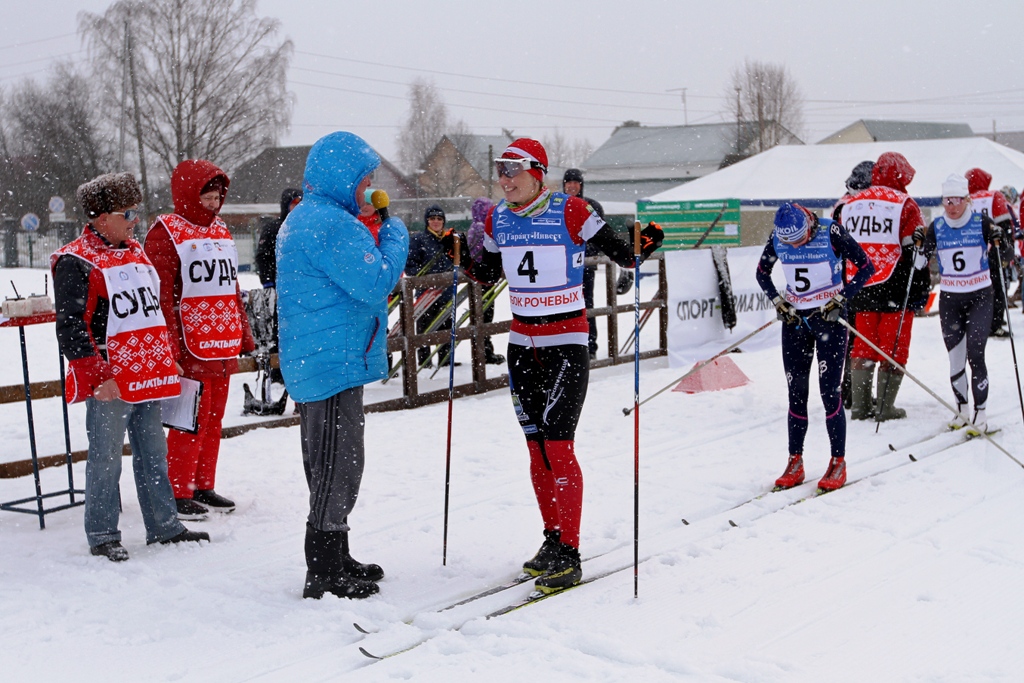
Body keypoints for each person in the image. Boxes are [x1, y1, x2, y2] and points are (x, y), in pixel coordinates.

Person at [465, 138, 663, 594]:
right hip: (522, 345)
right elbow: (491, 274)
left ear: (538, 172)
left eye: (513, 170)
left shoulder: (570, 210)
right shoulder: (499, 217)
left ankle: (570, 554)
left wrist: (644, 241)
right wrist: (465, 255)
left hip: (566, 344)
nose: (505, 179)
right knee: (536, 450)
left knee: (559, 445)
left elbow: (621, 253)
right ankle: (552, 540)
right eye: (500, 170)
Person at [276, 131, 409, 600]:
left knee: (333, 462)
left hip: (324, 358)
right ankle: (325, 571)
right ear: (341, 178)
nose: (370, 188)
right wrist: (395, 235)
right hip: (331, 362)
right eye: (365, 179)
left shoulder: (309, 218)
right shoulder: (329, 224)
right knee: (338, 464)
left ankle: (337, 553)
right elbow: (375, 280)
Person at [52, 172, 209, 561]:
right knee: (105, 458)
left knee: (154, 453)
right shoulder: (76, 260)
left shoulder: (135, 252)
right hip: (113, 377)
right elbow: (70, 327)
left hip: (149, 373)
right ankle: (103, 533)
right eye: (127, 212)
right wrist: (96, 377)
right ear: (101, 217)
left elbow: (151, 312)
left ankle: (164, 525)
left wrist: (167, 353)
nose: (134, 220)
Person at [145, 160, 255, 521]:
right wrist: (170, 349)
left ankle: (202, 484)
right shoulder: (166, 232)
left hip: (222, 340)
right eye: (206, 195)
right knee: (188, 419)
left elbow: (232, 287)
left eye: (217, 196)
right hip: (189, 344)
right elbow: (160, 297)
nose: (212, 202)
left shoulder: (222, 230)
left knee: (214, 418)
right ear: (189, 194)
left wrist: (244, 332)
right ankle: (177, 490)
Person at [756, 203, 874, 492]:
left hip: (829, 321)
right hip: (796, 321)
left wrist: (842, 298)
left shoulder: (830, 230)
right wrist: (778, 301)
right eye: (789, 242)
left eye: (800, 238)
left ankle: (838, 461)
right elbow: (762, 273)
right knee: (796, 391)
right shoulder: (777, 237)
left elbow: (867, 267)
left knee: (829, 392)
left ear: (809, 225)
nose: (795, 245)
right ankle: (795, 460)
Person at [839, 152, 930, 422]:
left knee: (863, 344)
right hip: (895, 284)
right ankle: (885, 407)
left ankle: (859, 406)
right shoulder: (905, 204)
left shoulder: (851, 203)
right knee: (894, 345)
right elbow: (914, 249)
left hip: (859, 283)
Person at [914, 174, 1002, 435]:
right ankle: (962, 410)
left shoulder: (980, 221)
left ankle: (981, 414)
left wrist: (1000, 236)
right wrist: (918, 243)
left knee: (976, 353)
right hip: (951, 298)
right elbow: (919, 265)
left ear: (967, 199)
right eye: (946, 200)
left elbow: (1005, 250)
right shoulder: (937, 225)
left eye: (956, 201)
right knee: (955, 360)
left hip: (980, 296)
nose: (951, 206)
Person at [404, 204, 465, 368]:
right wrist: (424, 277)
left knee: (446, 324)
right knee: (425, 327)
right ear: (427, 221)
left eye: (439, 219)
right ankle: (425, 361)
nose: (436, 222)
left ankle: (445, 359)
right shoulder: (418, 240)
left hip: (447, 291)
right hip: (427, 292)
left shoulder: (449, 239)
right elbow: (410, 265)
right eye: (432, 219)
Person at [253, 188, 302, 386]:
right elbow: (263, 256)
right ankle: (277, 371)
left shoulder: (304, 227)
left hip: (301, 288)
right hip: (279, 288)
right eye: (294, 203)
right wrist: (268, 281)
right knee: (278, 330)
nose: (297, 208)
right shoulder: (275, 228)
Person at [965, 168, 1014, 337]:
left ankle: (975, 321)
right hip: (992, 249)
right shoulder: (994, 197)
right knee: (997, 288)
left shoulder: (965, 200)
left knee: (975, 289)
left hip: (970, 252)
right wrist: (1007, 250)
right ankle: (995, 323)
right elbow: (1005, 225)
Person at [466, 196, 505, 365]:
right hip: (483, 277)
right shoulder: (482, 228)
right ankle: (484, 352)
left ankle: (482, 351)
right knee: (484, 315)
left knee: (482, 315)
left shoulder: (475, 227)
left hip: (480, 275)